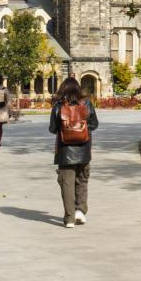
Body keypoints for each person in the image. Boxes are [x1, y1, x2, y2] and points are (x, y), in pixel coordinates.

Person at [49, 78, 99, 228]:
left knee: (67, 183)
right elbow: (94, 124)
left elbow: (52, 129)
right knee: (82, 181)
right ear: (78, 89)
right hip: (84, 150)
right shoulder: (87, 103)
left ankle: (69, 218)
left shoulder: (58, 106)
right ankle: (80, 211)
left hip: (65, 152)